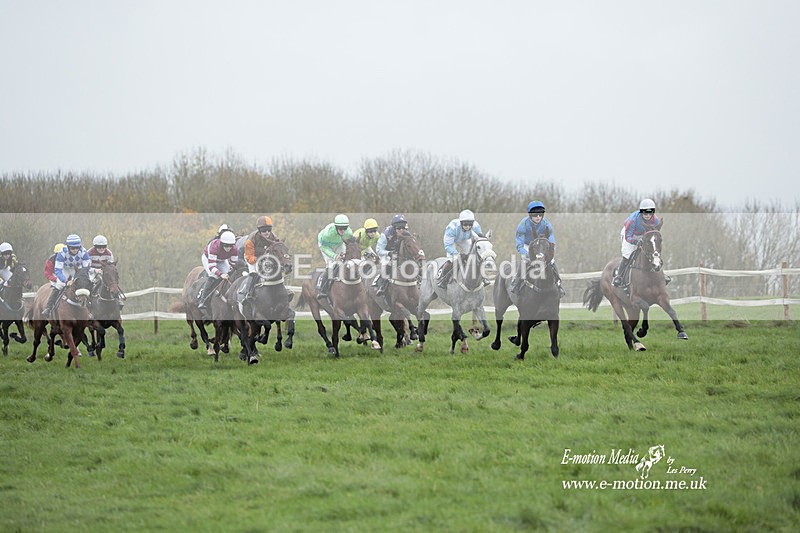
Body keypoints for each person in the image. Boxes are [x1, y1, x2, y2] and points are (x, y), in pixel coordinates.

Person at [511, 201, 565, 296]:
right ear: (530, 215)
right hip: (528, 245)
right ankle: (516, 283)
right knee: (525, 260)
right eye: (535, 215)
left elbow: (552, 241)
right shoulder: (523, 225)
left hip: (542, 246)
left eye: (540, 215)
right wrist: (529, 254)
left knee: (552, 260)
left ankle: (559, 285)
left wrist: (549, 252)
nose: (538, 217)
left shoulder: (547, 224)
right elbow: (519, 244)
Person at [238, 215, 294, 305]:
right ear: (259, 230)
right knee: (254, 273)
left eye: (269, 229)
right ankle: (247, 293)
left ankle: (284, 290)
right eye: (264, 230)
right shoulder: (251, 240)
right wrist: (262, 259)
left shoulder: (273, 236)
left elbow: (279, 247)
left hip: (266, 257)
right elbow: (249, 258)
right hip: (252, 258)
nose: (267, 232)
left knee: (277, 270)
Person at [612, 198, 669, 287]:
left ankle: (661, 274)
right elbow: (628, 237)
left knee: (653, 252)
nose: (647, 215)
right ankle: (619, 276)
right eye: (645, 213)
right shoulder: (633, 220)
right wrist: (636, 242)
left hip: (644, 234)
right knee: (628, 254)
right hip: (630, 234)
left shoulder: (655, 220)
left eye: (649, 213)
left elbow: (655, 234)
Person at [43, 234, 91, 318]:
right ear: (68, 247)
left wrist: (80, 278)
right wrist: (66, 281)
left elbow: (85, 269)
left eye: (77, 248)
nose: (75, 250)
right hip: (64, 269)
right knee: (59, 285)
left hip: (78, 270)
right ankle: (49, 307)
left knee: (85, 284)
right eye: (72, 248)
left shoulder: (84, 252)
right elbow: (58, 271)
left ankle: (91, 308)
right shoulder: (62, 253)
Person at [437, 209, 486, 289]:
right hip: (452, 241)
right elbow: (448, 246)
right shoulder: (452, 228)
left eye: (470, 225)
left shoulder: (476, 225)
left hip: (464, 240)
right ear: (461, 223)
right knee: (453, 259)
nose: (468, 227)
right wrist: (457, 254)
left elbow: (480, 240)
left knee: (474, 256)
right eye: (465, 224)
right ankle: (444, 279)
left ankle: (483, 277)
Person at [197, 230, 238, 310]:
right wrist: (220, 274)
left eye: (230, 246)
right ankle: (203, 299)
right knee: (213, 275)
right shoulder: (214, 247)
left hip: (222, 260)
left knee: (228, 274)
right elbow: (212, 267)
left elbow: (233, 264)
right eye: (226, 245)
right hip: (207, 258)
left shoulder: (234, 249)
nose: (228, 248)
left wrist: (230, 271)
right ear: (222, 243)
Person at [315, 214, 353, 299]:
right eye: (340, 229)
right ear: (336, 227)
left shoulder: (349, 232)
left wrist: (346, 253)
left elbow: (350, 245)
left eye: (345, 228)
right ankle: (323, 289)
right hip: (326, 245)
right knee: (331, 265)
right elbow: (325, 248)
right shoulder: (327, 234)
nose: (343, 231)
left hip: (339, 244)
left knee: (345, 262)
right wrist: (335, 256)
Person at [372, 214, 409, 296]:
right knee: (388, 265)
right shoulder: (386, 234)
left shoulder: (406, 234)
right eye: (399, 228)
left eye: (403, 228)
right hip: (386, 254)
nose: (401, 230)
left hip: (399, 255)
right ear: (394, 227)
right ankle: (381, 285)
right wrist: (388, 253)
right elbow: (378, 250)